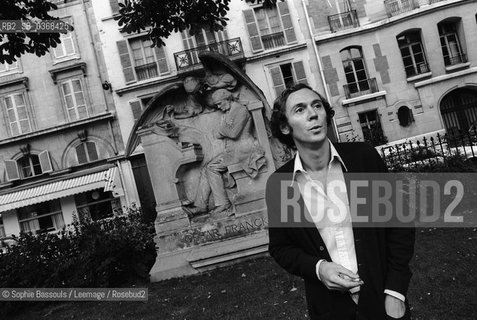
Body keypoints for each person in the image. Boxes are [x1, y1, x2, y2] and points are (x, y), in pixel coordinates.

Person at [266, 83, 415, 320]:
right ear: (285, 127)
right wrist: (319, 268)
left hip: (383, 299)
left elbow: (399, 221)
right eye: (300, 109)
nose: (313, 114)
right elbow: (280, 248)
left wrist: (396, 290)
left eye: (317, 105)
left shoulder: (363, 158)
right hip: (329, 309)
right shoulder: (280, 184)